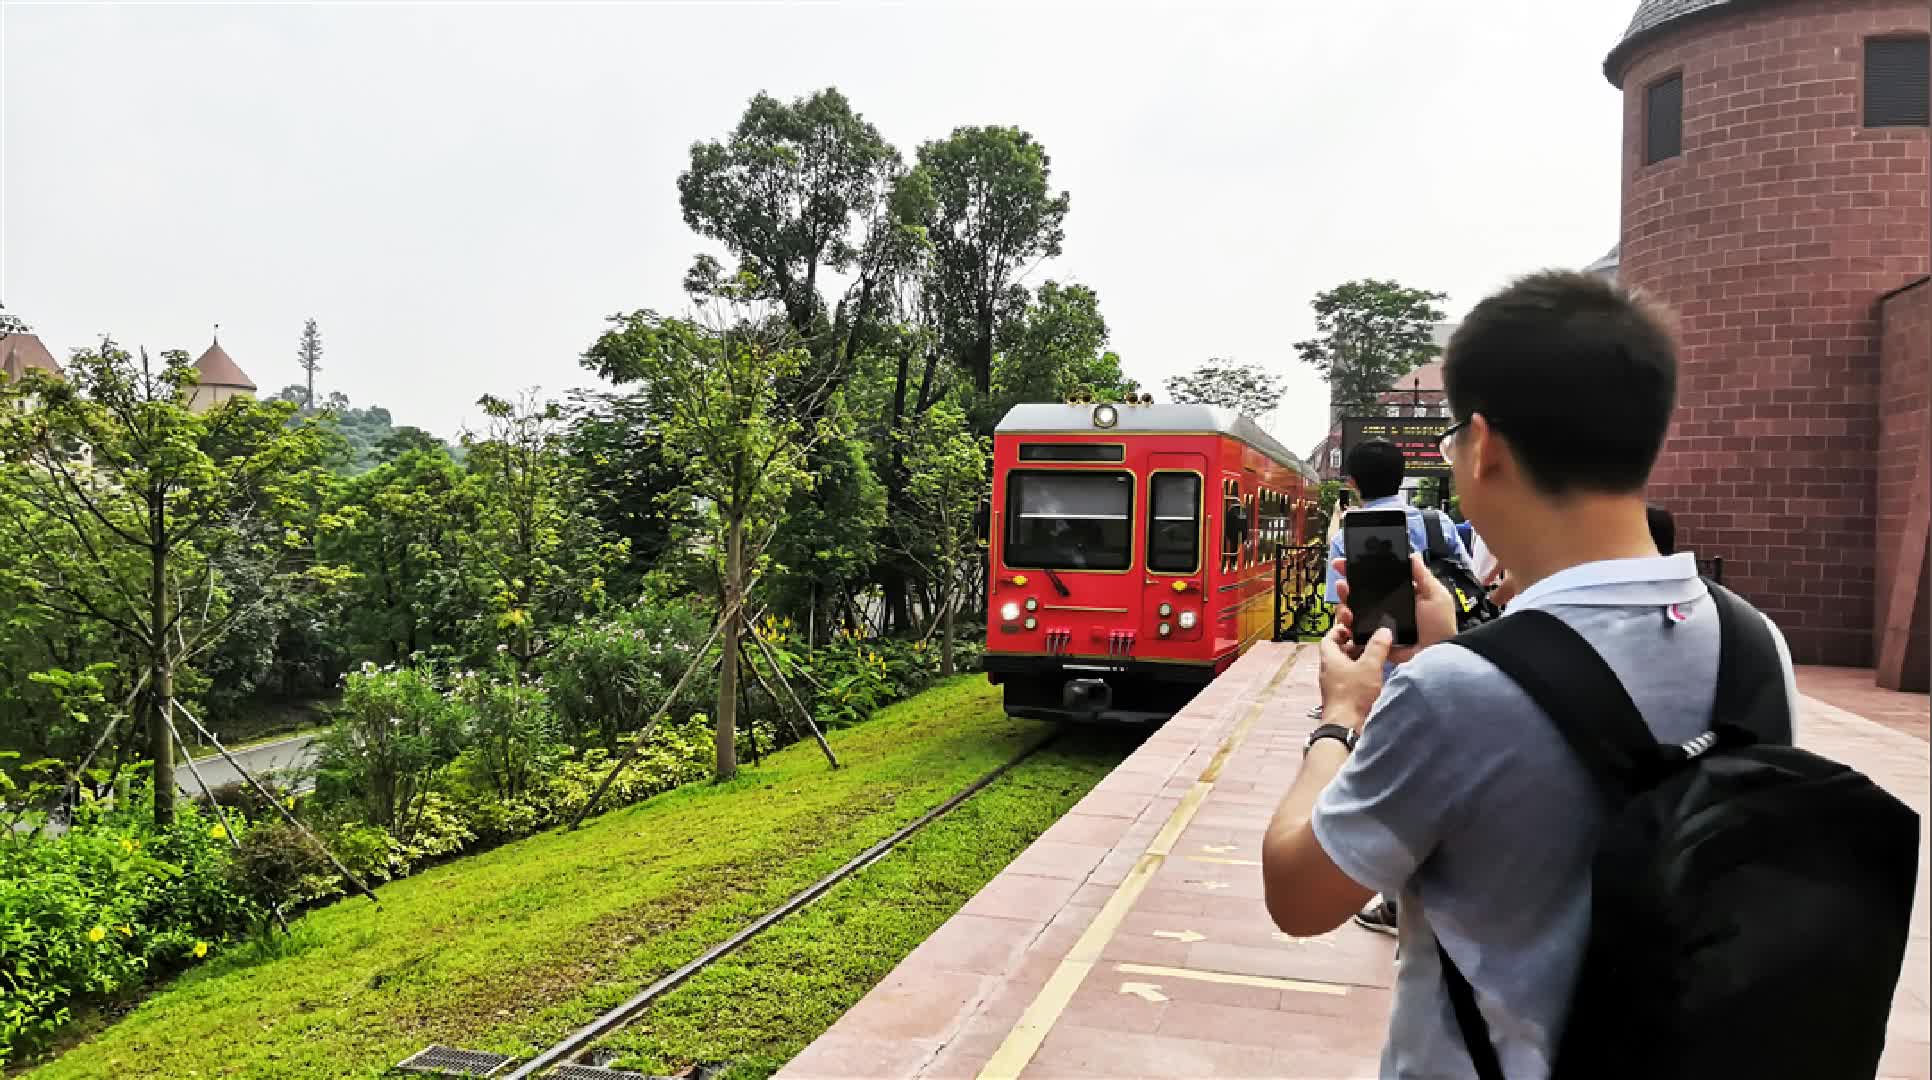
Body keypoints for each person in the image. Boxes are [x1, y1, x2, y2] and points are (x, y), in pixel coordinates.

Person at [1260, 271, 1800, 1078]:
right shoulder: (1758, 646)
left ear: (1486, 447)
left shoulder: (1453, 695)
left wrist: (1341, 717)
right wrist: (1460, 649)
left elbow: (1298, 895)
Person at [1318, 439, 1472, 935]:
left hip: (1378, 673)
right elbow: (1465, 583)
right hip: (1442, 666)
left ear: (1354, 483)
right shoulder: (1437, 523)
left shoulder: (1348, 535)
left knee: (1386, 785)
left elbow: (1333, 601)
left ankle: (1393, 901)